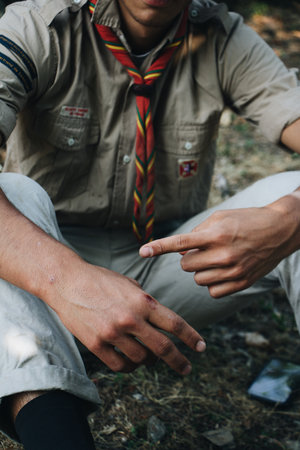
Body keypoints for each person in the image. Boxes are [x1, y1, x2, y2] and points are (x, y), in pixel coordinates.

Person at [0, 0, 299, 448]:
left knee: (293, 195)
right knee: (14, 197)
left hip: (163, 268)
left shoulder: (223, 37)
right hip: (40, 285)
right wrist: (66, 281)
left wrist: (290, 218)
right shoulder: (39, 25)